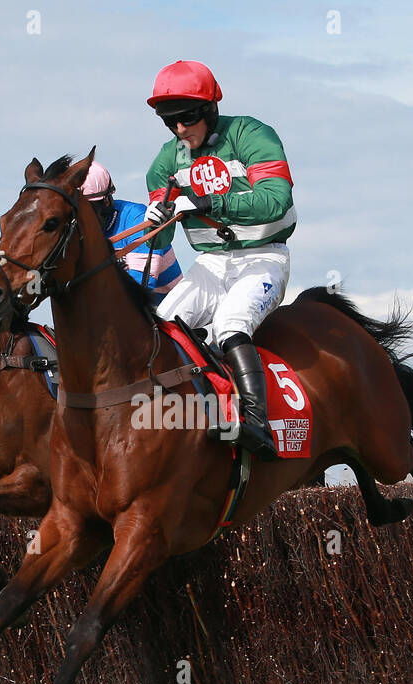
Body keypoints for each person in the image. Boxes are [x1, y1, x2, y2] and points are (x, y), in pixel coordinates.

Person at [143, 60, 295, 461]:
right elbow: (166, 234)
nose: (180, 130)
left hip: (263, 258)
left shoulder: (251, 134)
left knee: (230, 323)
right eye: (170, 121)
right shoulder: (166, 161)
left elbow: (277, 199)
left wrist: (211, 201)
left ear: (210, 108)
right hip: (211, 264)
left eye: (188, 118)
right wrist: (156, 222)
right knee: (163, 328)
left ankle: (255, 423)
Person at [79, 161, 181, 306]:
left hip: (164, 310)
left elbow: (139, 285)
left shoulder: (136, 218)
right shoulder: (79, 232)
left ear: (107, 201)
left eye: (88, 210)